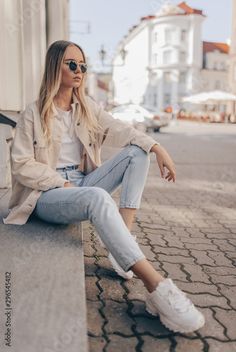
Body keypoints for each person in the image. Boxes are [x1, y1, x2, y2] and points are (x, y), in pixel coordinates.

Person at [3, 40, 205, 333]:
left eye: (83, 66)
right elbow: (22, 165)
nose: (79, 71)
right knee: (98, 198)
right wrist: (60, 182)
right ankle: (157, 288)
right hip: (46, 194)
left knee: (137, 152)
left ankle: (121, 247)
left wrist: (158, 147)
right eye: (71, 64)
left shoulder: (87, 109)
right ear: (53, 67)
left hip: (81, 182)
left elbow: (124, 130)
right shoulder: (32, 114)